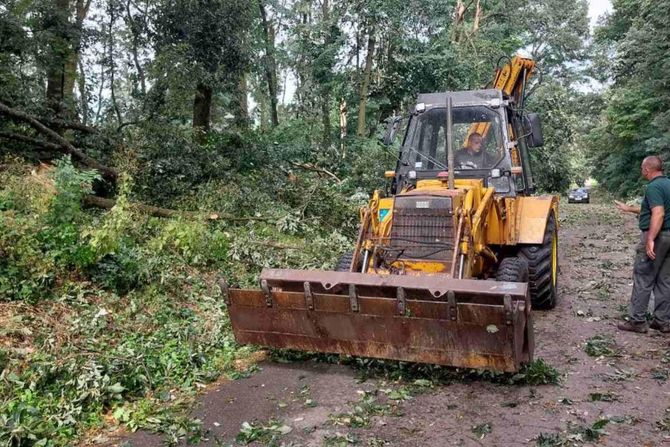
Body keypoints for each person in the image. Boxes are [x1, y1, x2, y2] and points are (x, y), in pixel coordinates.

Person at [615, 155, 670, 333]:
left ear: (647, 169)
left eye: (642, 168)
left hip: (658, 236)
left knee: (643, 276)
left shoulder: (653, 187)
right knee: (664, 279)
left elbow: (658, 213)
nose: (641, 171)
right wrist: (628, 208)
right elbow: (653, 209)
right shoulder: (667, 184)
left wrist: (650, 239)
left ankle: (637, 321)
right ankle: (662, 320)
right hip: (668, 237)